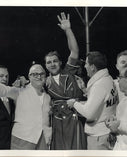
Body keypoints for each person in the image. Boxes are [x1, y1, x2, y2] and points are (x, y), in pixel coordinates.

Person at [0, 64, 52, 150]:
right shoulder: (20, 91)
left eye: (41, 74)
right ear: (29, 77)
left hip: (41, 141)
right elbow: (5, 90)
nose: (39, 76)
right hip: (21, 141)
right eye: (35, 74)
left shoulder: (47, 96)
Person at [44, 12, 87, 150]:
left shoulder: (68, 71)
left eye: (55, 61)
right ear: (46, 66)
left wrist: (67, 29)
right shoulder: (46, 82)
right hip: (58, 123)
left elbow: (74, 51)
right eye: (49, 62)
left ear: (60, 62)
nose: (52, 64)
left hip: (74, 120)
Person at [67, 51, 119, 150]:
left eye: (86, 63)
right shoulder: (108, 79)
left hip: (98, 137)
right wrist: (84, 89)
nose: (85, 66)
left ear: (93, 67)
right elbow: (102, 102)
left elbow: (88, 113)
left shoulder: (99, 84)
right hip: (108, 133)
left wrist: (74, 103)